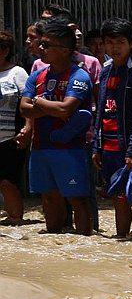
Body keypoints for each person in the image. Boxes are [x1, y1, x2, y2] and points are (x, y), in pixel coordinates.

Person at [17, 20, 93, 235]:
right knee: (49, 196)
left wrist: (39, 103)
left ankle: (84, 241)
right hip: (41, 147)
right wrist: (51, 107)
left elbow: (66, 109)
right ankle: (54, 237)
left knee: (77, 198)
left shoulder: (79, 76)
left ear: (65, 50)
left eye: (47, 45)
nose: (41, 49)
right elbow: (24, 108)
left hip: (70, 149)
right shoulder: (37, 75)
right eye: (41, 44)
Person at [95, 18, 132, 238]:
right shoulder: (106, 70)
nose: (114, 47)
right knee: (118, 198)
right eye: (109, 42)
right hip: (108, 147)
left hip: (129, 148)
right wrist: (96, 146)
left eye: (120, 42)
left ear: (131, 43)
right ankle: (121, 242)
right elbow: (101, 111)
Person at [0, 30, 30, 224]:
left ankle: (16, 220)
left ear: (4, 51)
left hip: (10, 137)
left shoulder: (17, 73)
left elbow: (29, 104)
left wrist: (28, 128)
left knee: (7, 181)